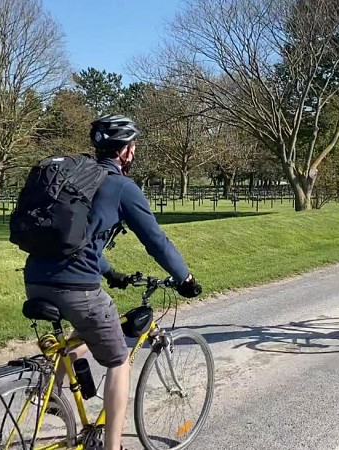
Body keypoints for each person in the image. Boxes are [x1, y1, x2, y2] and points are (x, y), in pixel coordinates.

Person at [23, 114, 202, 450]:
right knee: (119, 360)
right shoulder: (122, 187)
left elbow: (79, 239)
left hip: (34, 278)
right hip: (75, 286)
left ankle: (55, 395)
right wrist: (185, 278)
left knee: (81, 334)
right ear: (128, 152)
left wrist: (110, 272)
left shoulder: (79, 180)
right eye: (133, 147)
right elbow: (155, 240)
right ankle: (113, 446)